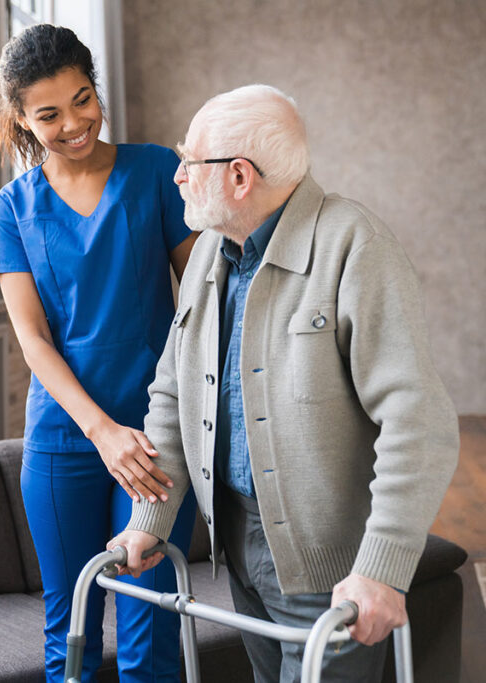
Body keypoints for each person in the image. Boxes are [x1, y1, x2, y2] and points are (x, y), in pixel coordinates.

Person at [108, 84, 459, 682]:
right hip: (238, 550)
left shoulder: (353, 244)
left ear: (240, 177)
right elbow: (173, 394)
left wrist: (381, 568)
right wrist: (150, 520)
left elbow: (418, 423)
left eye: (188, 162)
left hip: (333, 571)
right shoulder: (208, 256)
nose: (178, 177)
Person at [0, 23, 199, 683]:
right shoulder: (11, 208)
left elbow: (200, 305)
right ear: (20, 116)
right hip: (64, 442)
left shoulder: (157, 172)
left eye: (82, 99)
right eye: (49, 113)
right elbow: (34, 341)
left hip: (157, 440)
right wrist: (102, 433)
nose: (74, 122)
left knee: (150, 631)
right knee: (68, 633)